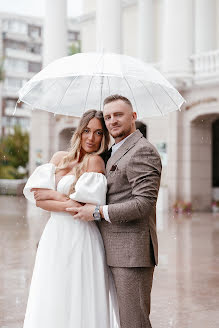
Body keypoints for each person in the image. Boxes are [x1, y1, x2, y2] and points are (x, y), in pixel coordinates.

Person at [67, 95, 162, 328]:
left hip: (131, 253)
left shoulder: (142, 150)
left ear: (134, 117)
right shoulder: (112, 152)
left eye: (118, 115)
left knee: (133, 322)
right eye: (108, 117)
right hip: (108, 249)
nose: (112, 121)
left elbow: (143, 204)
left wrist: (97, 212)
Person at [22, 109, 120, 328]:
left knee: (79, 291)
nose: (91, 138)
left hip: (81, 236)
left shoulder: (95, 163)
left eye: (98, 133)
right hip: (55, 235)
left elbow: (84, 210)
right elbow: (39, 200)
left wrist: (54, 195)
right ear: (79, 131)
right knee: (54, 290)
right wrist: (64, 199)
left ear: (104, 137)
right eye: (87, 131)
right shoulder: (59, 159)